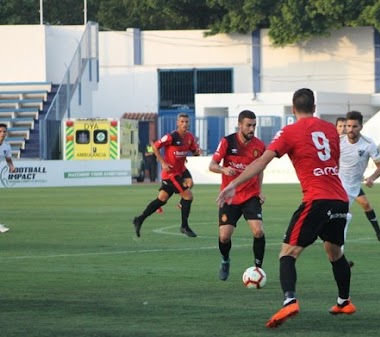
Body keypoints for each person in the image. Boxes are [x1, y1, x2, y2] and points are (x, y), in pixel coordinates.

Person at [217, 88, 355, 328]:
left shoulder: (289, 131)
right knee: (334, 251)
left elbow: (261, 162)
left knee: (287, 254)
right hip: (339, 199)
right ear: (314, 107)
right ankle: (344, 302)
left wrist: (234, 185)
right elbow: (335, 161)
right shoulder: (331, 129)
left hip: (316, 200)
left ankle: (289, 301)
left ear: (293, 109)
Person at [209, 110, 267, 281]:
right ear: (240, 125)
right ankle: (226, 260)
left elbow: (260, 169)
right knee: (224, 236)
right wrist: (222, 169)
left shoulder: (259, 146)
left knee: (258, 231)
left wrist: (260, 190)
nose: (252, 129)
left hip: (250, 195)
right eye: (248, 125)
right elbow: (212, 164)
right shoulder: (227, 142)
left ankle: (258, 269)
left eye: (254, 125)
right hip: (230, 196)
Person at [132, 113, 201, 238]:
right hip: (171, 173)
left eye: (187, 121)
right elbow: (155, 146)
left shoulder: (190, 137)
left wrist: (197, 152)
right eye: (182, 122)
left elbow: (194, 152)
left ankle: (139, 219)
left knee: (162, 199)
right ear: (177, 123)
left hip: (181, 170)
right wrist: (163, 162)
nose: (185, 124)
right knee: (188, 196)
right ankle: (184, 226)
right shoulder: (171, 137)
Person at [339, 111, 380, 246]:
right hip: (338, 185)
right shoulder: (338, 141)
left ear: (361, 127)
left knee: (361, 207)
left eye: (354, 126)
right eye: (349, 126)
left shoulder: (368, 144)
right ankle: (339, 256)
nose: (350, 129)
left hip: (354, 185)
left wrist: (372, 178)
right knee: (342, 218)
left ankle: (378, 233)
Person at [0, 123, 16, 233]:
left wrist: (11, 166)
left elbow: (8, 159)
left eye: (4, 131)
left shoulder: (6, 146)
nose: (2, 133)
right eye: (0, 131)